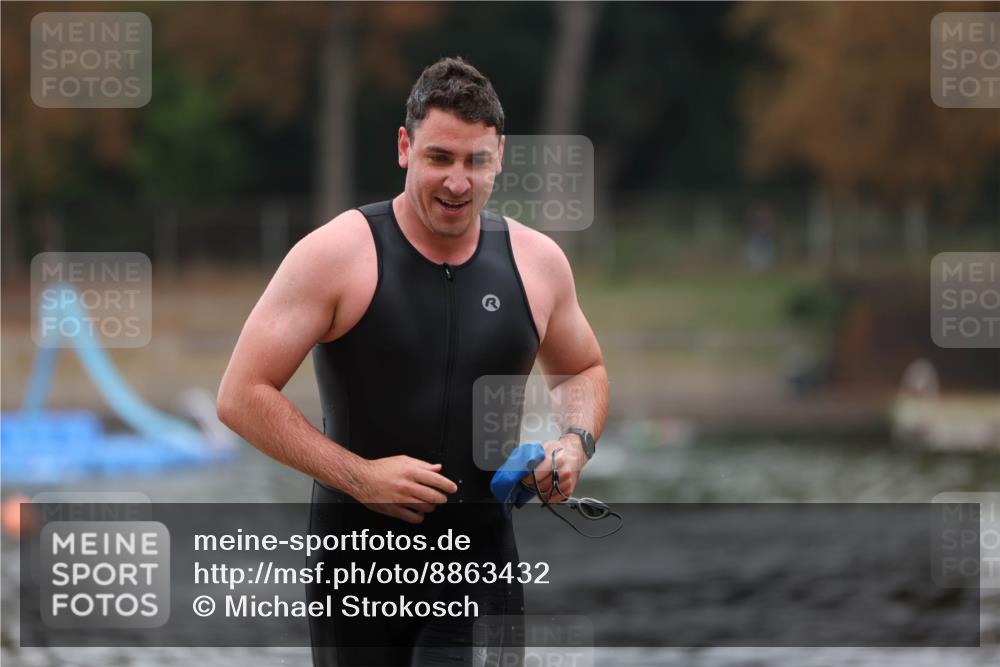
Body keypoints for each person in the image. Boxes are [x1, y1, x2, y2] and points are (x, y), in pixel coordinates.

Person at [218, 56, 608, 666]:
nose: (458, 182)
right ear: (405, 148)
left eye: (476, 161)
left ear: (500, 157)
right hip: (356, 580)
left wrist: (574, 443)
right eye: (440, 158)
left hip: (480, 574)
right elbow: (241, 394)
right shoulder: (336, 255)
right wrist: (360, 477)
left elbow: (582, 370)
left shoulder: (537, 263)